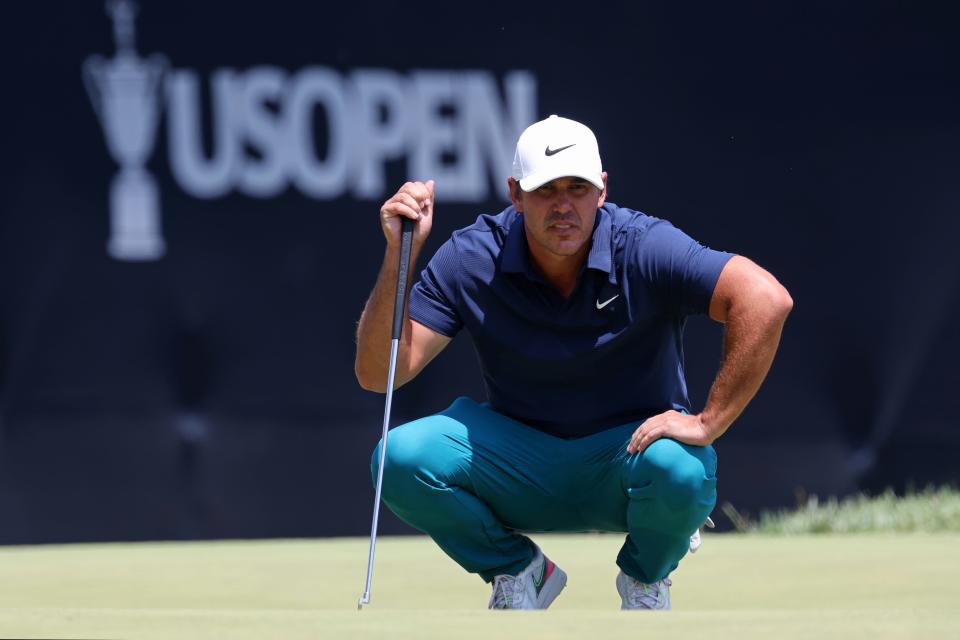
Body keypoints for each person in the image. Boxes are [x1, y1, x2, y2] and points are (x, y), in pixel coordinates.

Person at [354, 115, 792, 610]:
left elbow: (764, 298)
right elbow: (379, 373)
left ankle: (646, 579)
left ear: (601, 190)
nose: (563, 205)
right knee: (400, 457)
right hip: (517, 463)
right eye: (545, 190)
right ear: (515, 194)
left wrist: (710, 422)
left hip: (627, 456)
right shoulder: (474, 255)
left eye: (578, 188)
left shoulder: (644, 245)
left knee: (683, 468)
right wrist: (399, 255)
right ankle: (519, 572)